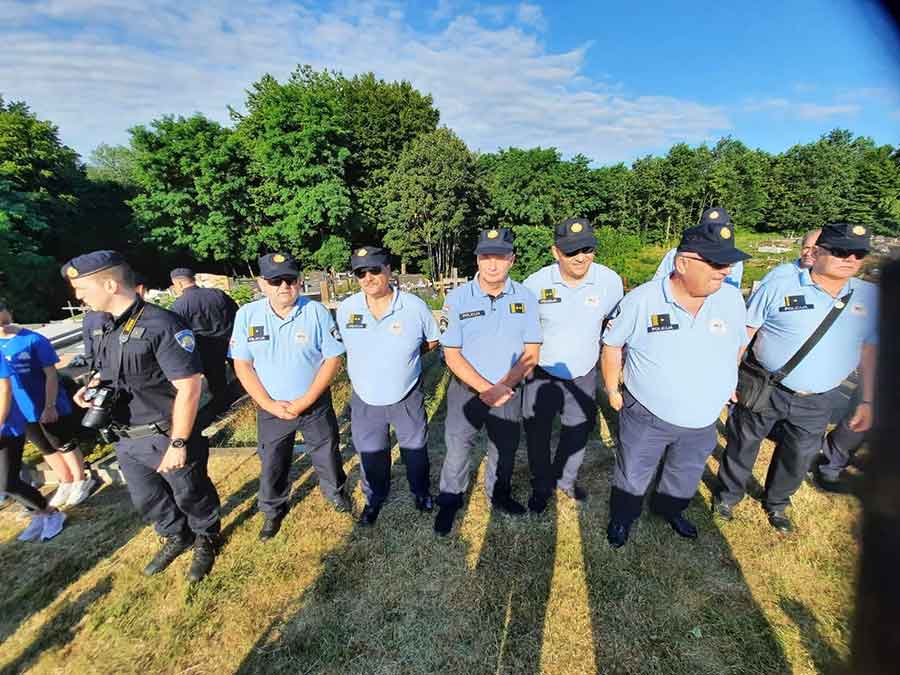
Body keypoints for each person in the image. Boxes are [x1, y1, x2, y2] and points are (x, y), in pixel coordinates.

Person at [63, 250, 221, 581]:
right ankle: (176, 535)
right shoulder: (100, 325)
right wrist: (91, 387)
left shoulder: (162, 324)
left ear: (110, 285)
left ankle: (206, 537)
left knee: (191, 493)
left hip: (164, 433)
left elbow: (190, 388)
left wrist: (178, 443)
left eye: (82, 289)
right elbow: (106, 370)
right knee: (148, 498)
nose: (78, 297)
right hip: (125, 435)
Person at [715, 223, 877, 533]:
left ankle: (777, 503)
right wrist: (728, 376)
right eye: (841, 251)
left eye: (859, 254)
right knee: (743, 443)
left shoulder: (869, 297)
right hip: (766, 385)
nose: (850, 259)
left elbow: (870, 350)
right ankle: (728, 495)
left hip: (818, 398)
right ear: (817, 252)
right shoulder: (780, 285)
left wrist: (867, 399)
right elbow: (745, 333)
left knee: (799, 454)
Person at [602, 218, 750, 547]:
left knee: (685, 471)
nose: (725, 271)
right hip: (648, 414)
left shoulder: (731, 300)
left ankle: (669, 509)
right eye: (715, 263)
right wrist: (612, 388)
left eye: (728, 263)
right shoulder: (642, 300)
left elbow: (738, 343)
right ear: (682, 263)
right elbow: (612, 345)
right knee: (634, 471)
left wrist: (729, 377)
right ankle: (623, 517)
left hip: (704, 417)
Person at [230, 252, 349, 541]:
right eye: (275, 281)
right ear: (262, 284)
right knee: (273, 461)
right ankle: (273, 509)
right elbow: (242, 365)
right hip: (272, 407)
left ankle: (335, 493)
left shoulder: (316, 312)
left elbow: (333, 358)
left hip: (313, 404)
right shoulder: (247, 315)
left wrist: (306, 400)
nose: (284, 286)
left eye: (290, 279)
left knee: (327, 453)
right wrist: (268, 404)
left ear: (299, 280)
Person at [433, 228, 542, 536]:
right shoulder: (456, 299)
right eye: (486, 257)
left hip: (508, 391)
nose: (492, 264)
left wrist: (502, 387)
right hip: (466, 391)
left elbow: (532, 352)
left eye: (500, 257)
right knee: (458, 448)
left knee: (504, 448)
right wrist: (487, 388)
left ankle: (500, 494)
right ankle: (450, 500)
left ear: (512, 260)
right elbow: (451, 355)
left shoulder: (526, 298)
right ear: (477, 259)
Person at [521, 218, 623, 512]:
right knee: (537, 434)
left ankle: (565, 480)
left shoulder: (610, 282)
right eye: (571, 251)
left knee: (577, 430)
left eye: (587, 249)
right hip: (541, 372)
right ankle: (541, 486)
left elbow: (614, 322)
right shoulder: (534, 285)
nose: (580, 257)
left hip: (583, 372)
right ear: (555, 252)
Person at [336, 246, 440, 525]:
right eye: (360, 273)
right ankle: (374, 497)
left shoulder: (414, 307)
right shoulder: (347, 309)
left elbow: (432, 341)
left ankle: (421, 493)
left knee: (415, 451)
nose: (368, 278)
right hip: (365, 399)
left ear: (388, 270)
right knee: (371, 454)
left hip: (406, 396)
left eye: (374, 270)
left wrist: (405, 359)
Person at [0, 303, 95, 507]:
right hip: (21, 409)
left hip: (45, 402)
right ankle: (66, 480)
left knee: (61, 441)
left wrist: (50, 405)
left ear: (9, 312)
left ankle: (81, 479)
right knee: (44, 446)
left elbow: (51, 374)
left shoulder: (33, 339)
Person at [1, 357, 67, 541]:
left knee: (7, 483)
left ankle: (50, 512)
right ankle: (38, 513)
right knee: (4, 482)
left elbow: (5, 388)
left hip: (7, 428)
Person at [170, 267, 238, 416]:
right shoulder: (217, 294)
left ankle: (225, 411)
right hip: (230, 341)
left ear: (179, 284)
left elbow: (181, 334)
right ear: (193, 279)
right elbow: (236, 312)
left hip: (206, 348)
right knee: (242, 372)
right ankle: (254, 398)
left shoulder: (178, 306)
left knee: (217, 382)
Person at [653, 208, 744, 289]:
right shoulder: (675, 254)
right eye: (709, 229)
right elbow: (657, 284)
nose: (727, 270)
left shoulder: (735, 260)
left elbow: (732, 290)